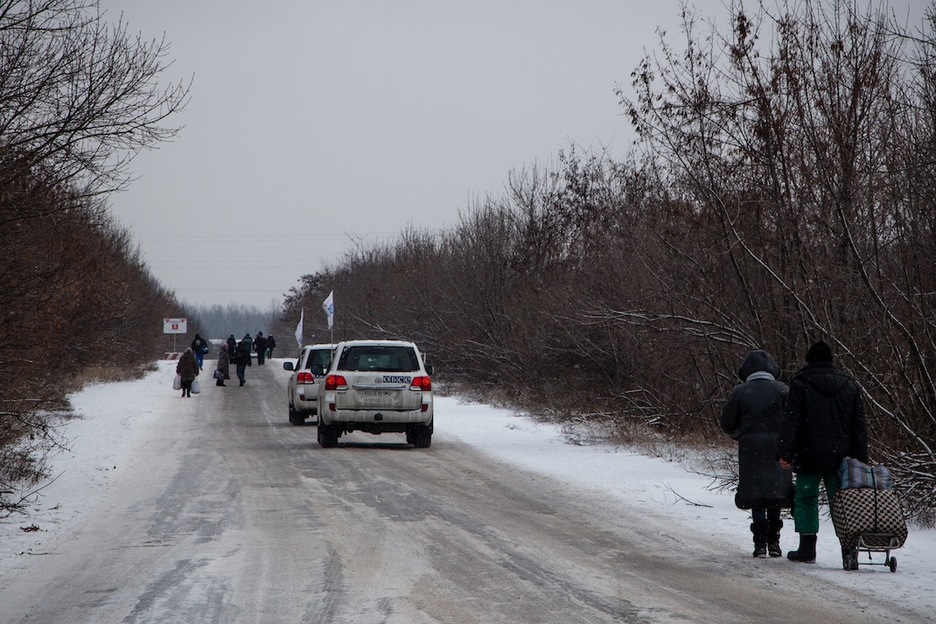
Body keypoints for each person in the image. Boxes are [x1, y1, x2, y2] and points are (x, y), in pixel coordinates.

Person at [777, 341, 868, 565]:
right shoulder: (849, 385)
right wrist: (860, 460)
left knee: (806, 498)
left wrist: (785, 452)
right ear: (831, 359)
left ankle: (807, 550)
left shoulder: (800, 384)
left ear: (809, 359)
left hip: (809, 454)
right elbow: (859, 426)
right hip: (841, 457)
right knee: (842, 502)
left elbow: (792, 421)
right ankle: (849, 552)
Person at [720, 350, 793, 558]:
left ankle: (760, 542)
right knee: (776, 494)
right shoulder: (782, 390)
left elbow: (727, 422)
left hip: (751, 450)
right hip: (778, 450)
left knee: (757, 495)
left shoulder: (741, 391)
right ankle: (774, 541)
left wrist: (741, 434)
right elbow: (793, 421)